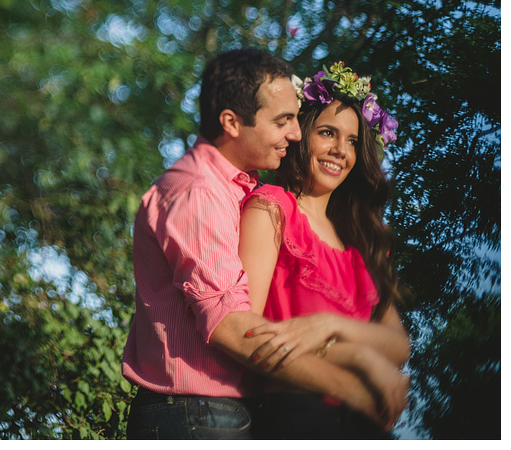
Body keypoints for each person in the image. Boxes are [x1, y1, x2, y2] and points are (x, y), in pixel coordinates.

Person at [122, 50, 403, 440]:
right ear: (232, 122)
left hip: (218, 411)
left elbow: (397, 342)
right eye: (283, 121)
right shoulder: (200, 192)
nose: (294, 133)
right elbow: (233, 326)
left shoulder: (234, 188)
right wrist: (352, 380)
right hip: (195, 412)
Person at [238, 62, 409, 438]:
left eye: (352, 141)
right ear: (300, 134)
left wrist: (330, 326)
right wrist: (360, 355)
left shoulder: (361, 243)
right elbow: (244, 333)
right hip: (296, 415)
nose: (340, 151)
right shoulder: (272, 208)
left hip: (367, 423)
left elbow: (398, 345)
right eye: (328, 133)